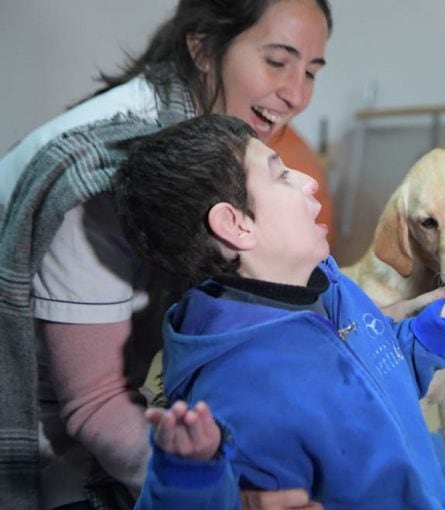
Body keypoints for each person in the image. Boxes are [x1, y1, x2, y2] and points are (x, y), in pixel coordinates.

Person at [0, 1, 334, 508]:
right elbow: (94, 405)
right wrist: (228, 494)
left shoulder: (225, 145)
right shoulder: (106, 182)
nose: (295, 94)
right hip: (42, 428)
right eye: (277, 60)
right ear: (201, 48)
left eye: (310, 71)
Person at [113, 113, 445, 509]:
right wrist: (190, 476)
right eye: (282, 175)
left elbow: (374, 371)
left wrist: (431, 328)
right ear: (235, 224)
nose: (308, 181)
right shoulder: (246, 382)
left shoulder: (328, 284)